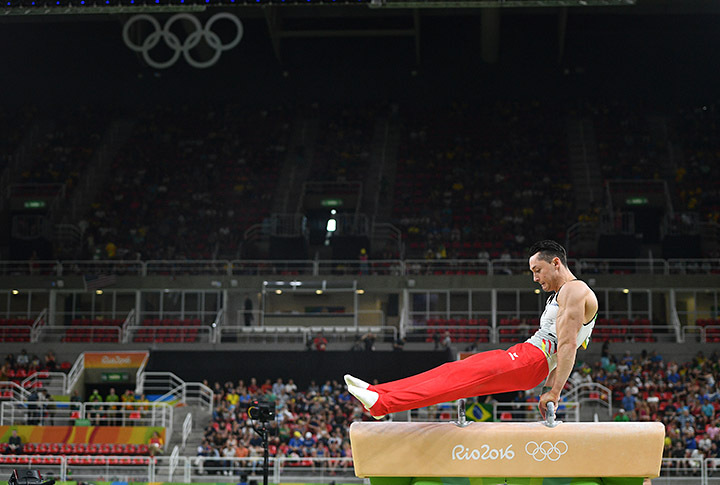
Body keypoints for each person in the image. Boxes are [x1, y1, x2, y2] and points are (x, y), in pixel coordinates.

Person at [345, 240, 598, 419]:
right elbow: (563, 350)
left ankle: (383, 404)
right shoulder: (561, 295)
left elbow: (567, 347)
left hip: (531, 360)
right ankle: (379, 393)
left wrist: (554, 392)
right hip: (529, 358)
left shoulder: (574, 290)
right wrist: (547, 390)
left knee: (458, 378)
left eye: (537, 271)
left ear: (556, 263)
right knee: (452, 370)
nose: (535, 278)